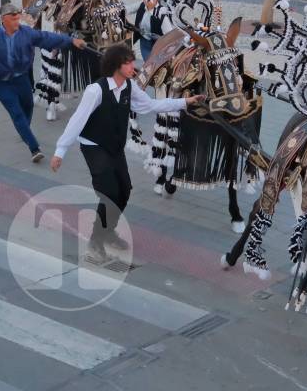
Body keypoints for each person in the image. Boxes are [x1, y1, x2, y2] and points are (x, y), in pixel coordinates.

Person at [50, 44, 203, 258]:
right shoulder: (95, 91)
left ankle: (108, 232)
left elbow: (151, 106)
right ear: (116, 65)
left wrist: (185, 102)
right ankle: (96, 241)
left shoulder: (130, 87)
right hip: (94, 146)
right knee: (109, 193)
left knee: (125, 191)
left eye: (133, 62)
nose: (133, 66)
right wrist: (60, 151)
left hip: (114, 148)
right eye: (128, 63)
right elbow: (77, 121)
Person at [0, 1, 85, 161]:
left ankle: (24, 130)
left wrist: (70, 41)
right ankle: (34, 148)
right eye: (13, 20)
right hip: (0, 82)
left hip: (21, 77)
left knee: (28, 106)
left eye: (18, 19)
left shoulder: (26, 33)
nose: (17, 22)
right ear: (4, 20)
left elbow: (47, 37)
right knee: (16, 112)